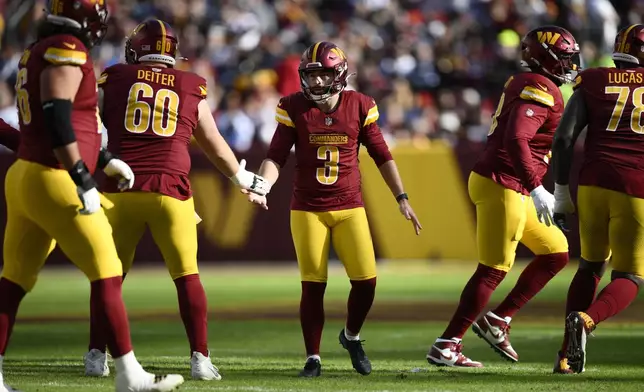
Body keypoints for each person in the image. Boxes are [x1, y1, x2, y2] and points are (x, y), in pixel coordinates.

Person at [0, 1, 184, 391]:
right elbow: (56, 116)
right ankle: (128, 374)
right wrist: (83, 176)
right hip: (55, 176)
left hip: (28, 174)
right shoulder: (66, 45)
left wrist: (103, 157)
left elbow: (72, 121)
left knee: (13, 281)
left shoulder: (40, 48)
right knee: (108, 270)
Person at [83, 19, 270, 381]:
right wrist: (243, 178)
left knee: (108, 278)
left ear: (137, 48)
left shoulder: (116, 77)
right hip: (172, 190)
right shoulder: (192, 84)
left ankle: (96, 354)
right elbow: (213, 141)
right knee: (187, 276)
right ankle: (200, 359)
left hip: (122, 187)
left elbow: (88, 121)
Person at [246, 41, 421, 377]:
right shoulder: (293, 106)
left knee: (367, 282)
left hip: (349, 205)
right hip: (308, 208)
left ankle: (351, 335)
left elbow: (382, 155)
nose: (314, 83)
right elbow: (276, 156)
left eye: (322, 75)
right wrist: (262, 185)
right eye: (310, 76)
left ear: (339, 73)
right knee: (313, 286)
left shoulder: (360, 105)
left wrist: (402, 198)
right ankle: (313, 357)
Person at [426, 26, 580, 367]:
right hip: (505, 182)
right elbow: (517, 139)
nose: (571, 62)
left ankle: (499, 319)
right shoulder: (540, 87)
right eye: (566, 56)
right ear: (546, 57)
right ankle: (447, 344)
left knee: (555, 253)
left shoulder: (528, 82)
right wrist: (538, 187)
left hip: (511, 183)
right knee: (494, 268)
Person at [551, 24, 644, 374]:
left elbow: (563, 140)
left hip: (591, 183)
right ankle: (587, 320)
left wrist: (561, 194)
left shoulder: (592, 79)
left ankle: (564, 356)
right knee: (631, 276)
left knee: (590, 265)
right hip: (636, 186)